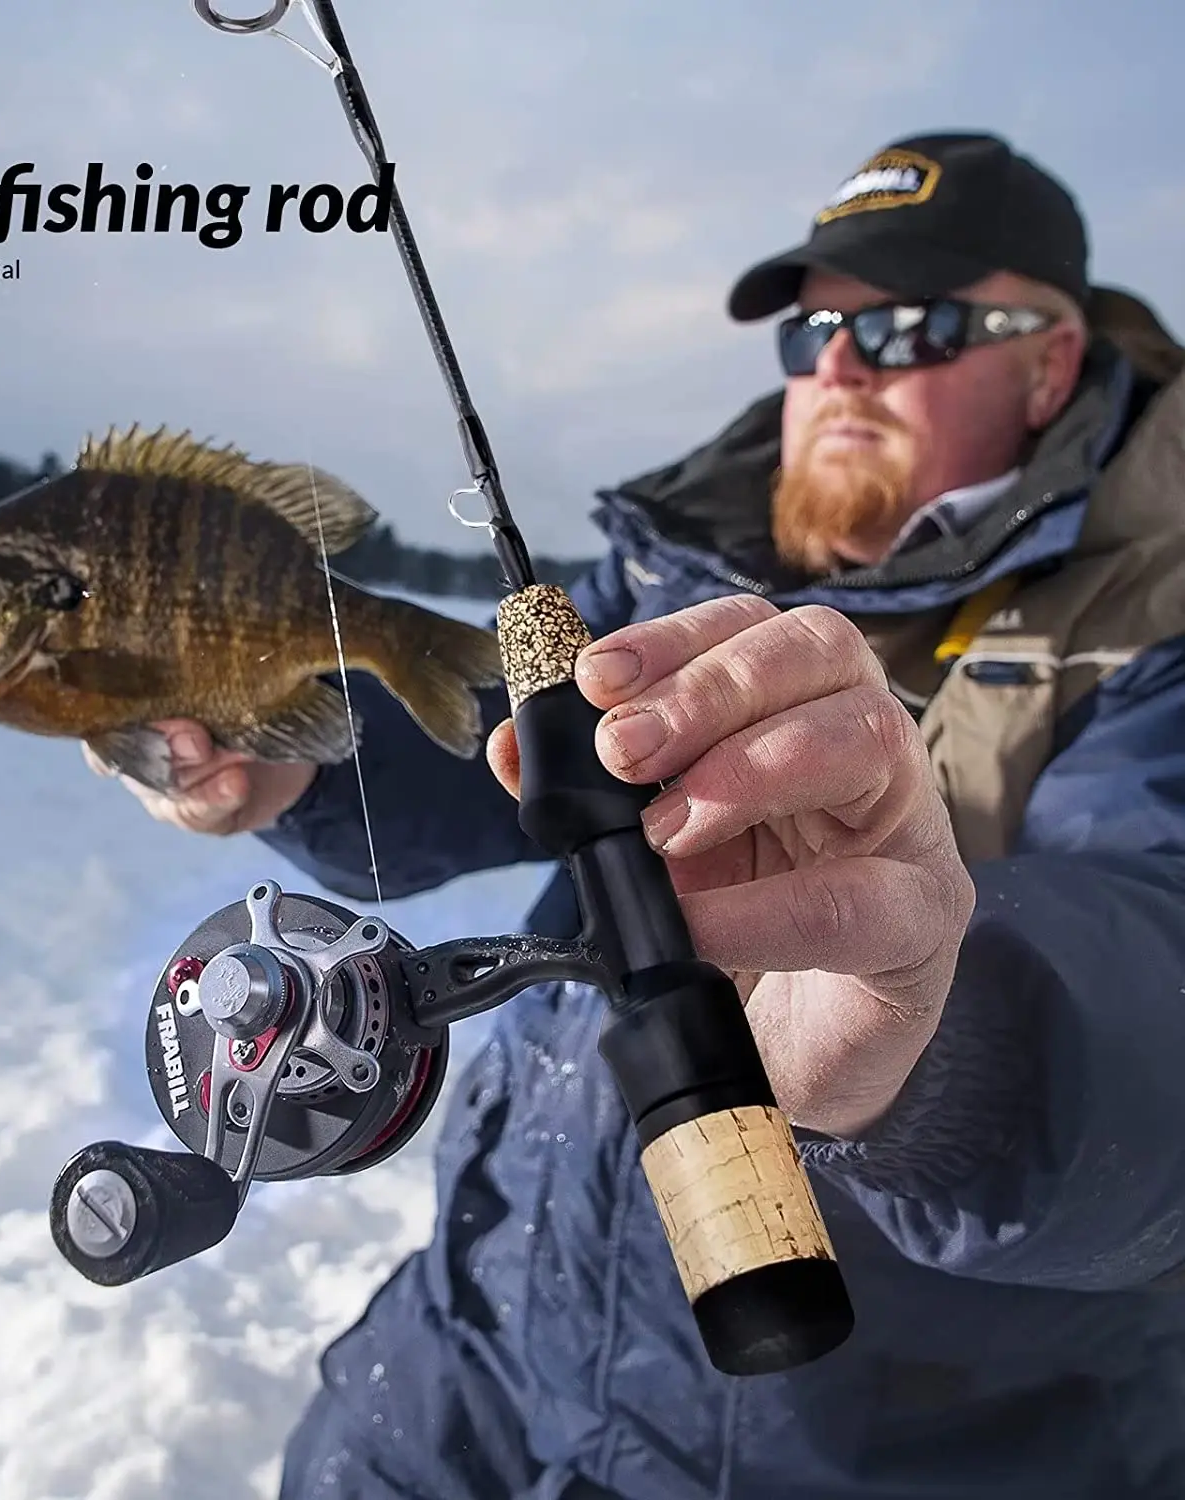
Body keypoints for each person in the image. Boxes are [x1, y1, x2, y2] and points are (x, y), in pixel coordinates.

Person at [89, 132, 1185, 1497]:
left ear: (1053, 361)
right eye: (814, 335)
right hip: (475, 1348)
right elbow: (495, 763)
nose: (840, 366)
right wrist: (293, 761)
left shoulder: (1161, 625)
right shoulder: (677, 571)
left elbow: (1161, 994)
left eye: (910, 327)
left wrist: (930, 1026)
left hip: (893, 1444)